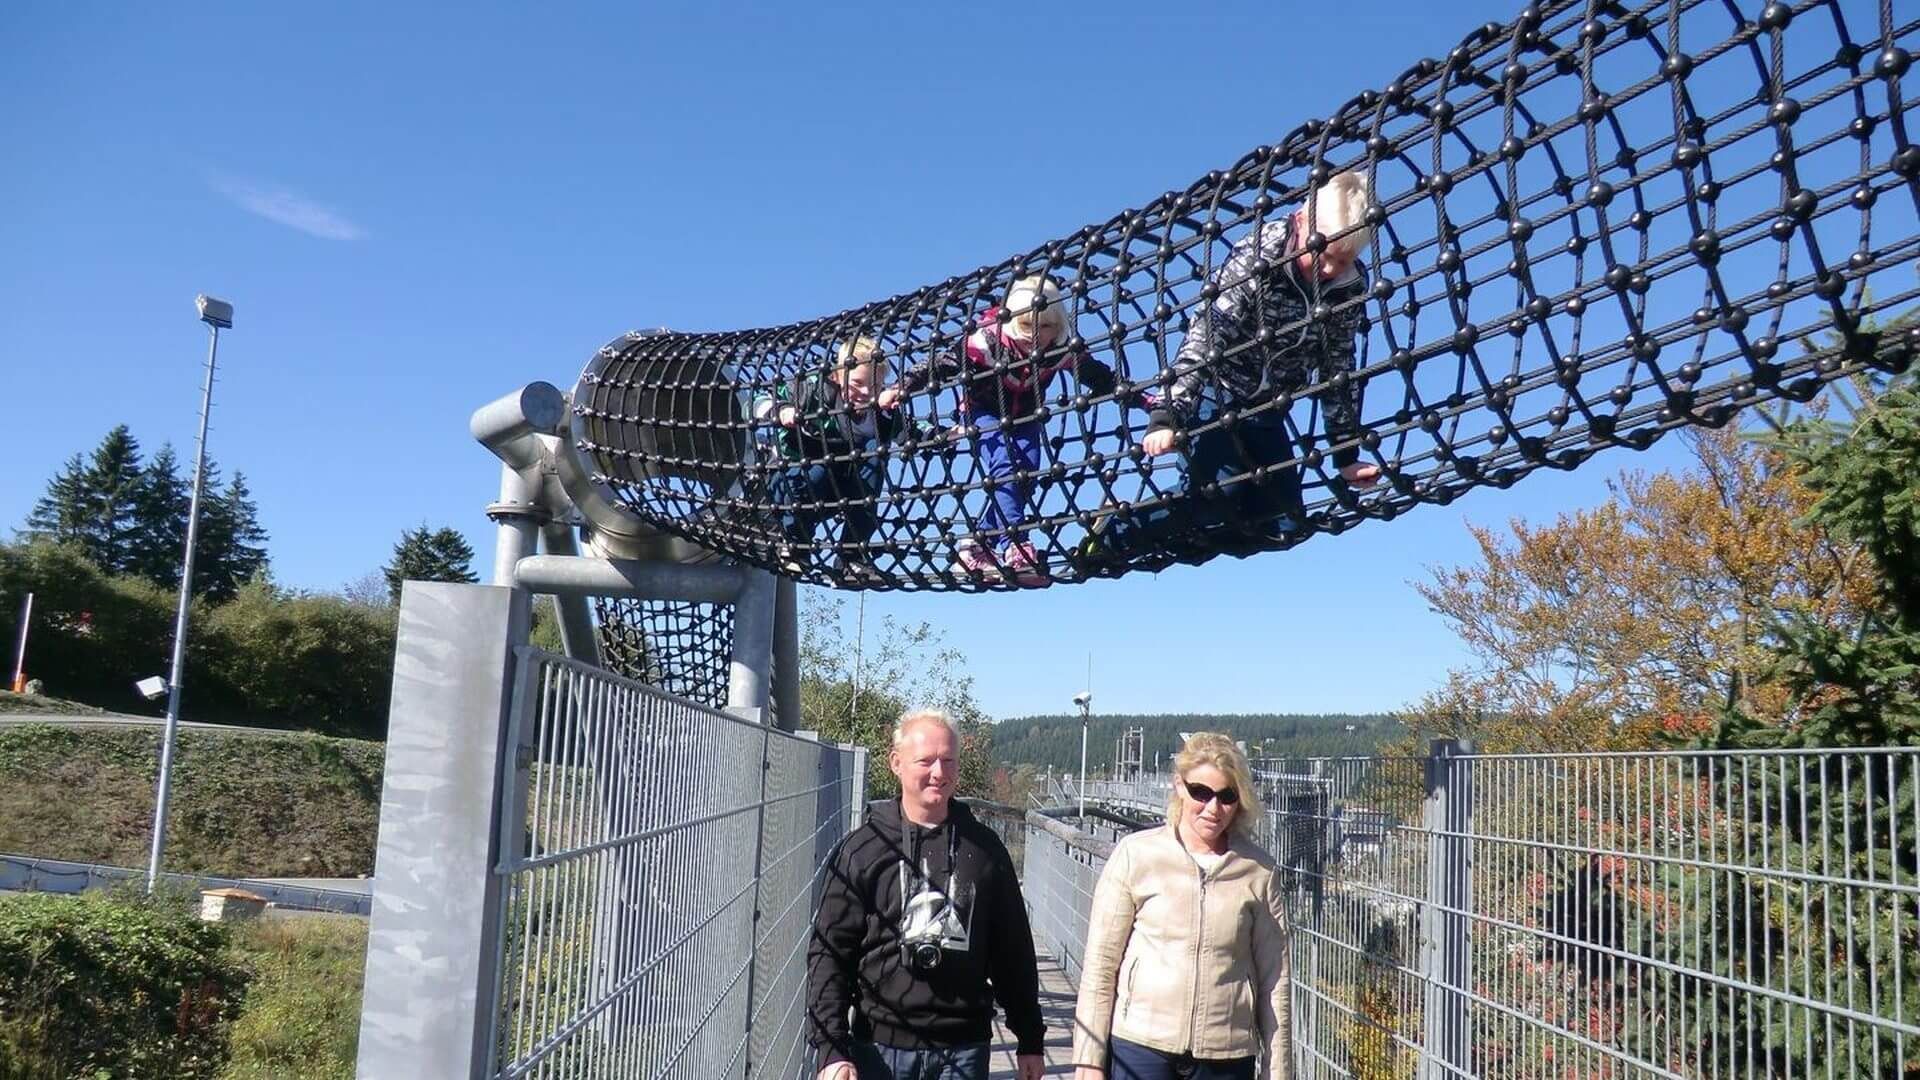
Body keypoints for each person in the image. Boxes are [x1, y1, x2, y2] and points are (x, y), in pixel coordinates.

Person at [1079, 171, 1383, 569]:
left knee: (1285, 524)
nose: (1330, 270)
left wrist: (1345, 454)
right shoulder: (1263, 252)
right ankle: (1117, 532)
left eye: (1344, 260)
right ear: (1302, 221)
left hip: (1269, 409)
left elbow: (1337, 368)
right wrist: (1167, 415)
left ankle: (1189, 541)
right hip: (1213, 395)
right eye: (1324, 254)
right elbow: (1208, 333)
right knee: (1213, 499)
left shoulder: (1349, 287)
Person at [807, 709, 1047, 1080]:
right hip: (879, 1049)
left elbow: (1012, 950)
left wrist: (1030, 1038)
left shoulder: (984, 850)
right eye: (926, 761)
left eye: (948, 761)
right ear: (896, 763)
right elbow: (831, 953)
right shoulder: (863, 850)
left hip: (964, 1047)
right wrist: (831, 1049)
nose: (939, 772)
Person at [885, 274, 1150, 586]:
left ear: (1059, 325)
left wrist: (1146, 401)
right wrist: (902, 386)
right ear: (1011, 321)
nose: (1036, 336)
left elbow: (1101, 378)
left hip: (1026, 416)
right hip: (981, 411)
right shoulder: (984, 342)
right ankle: (1015, 545)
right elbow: (940, 365)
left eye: (1046, 327)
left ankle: (977, 547)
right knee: (1005, 465)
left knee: (1024, 477)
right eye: (1026, 327)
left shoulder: (1061, 349)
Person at [1070, 733, 1291, 1080]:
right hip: (1140, 1046)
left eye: (1226, 796)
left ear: (1240, 800)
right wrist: (1088, 1058)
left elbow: (1275, 980)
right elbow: (1100, 964)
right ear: (1178, 786)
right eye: (1200, 792)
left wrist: (1277, 1072)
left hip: (1226, 1056)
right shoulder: (1135, 855)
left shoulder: (1259, 871)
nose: (1213, 808)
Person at [753, 336, 916, 584]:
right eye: (858, 383)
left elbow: (911, 432)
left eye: (874, 385)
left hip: (842, 492)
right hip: (793, 487)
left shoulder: (881, 412)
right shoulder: (812, 390)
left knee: (874, 452)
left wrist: (944, 435)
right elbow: (758, 399)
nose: (865, 392)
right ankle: (797, 546)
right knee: (818, 466)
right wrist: (781, 410)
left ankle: (851, 557)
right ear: (839, 376)